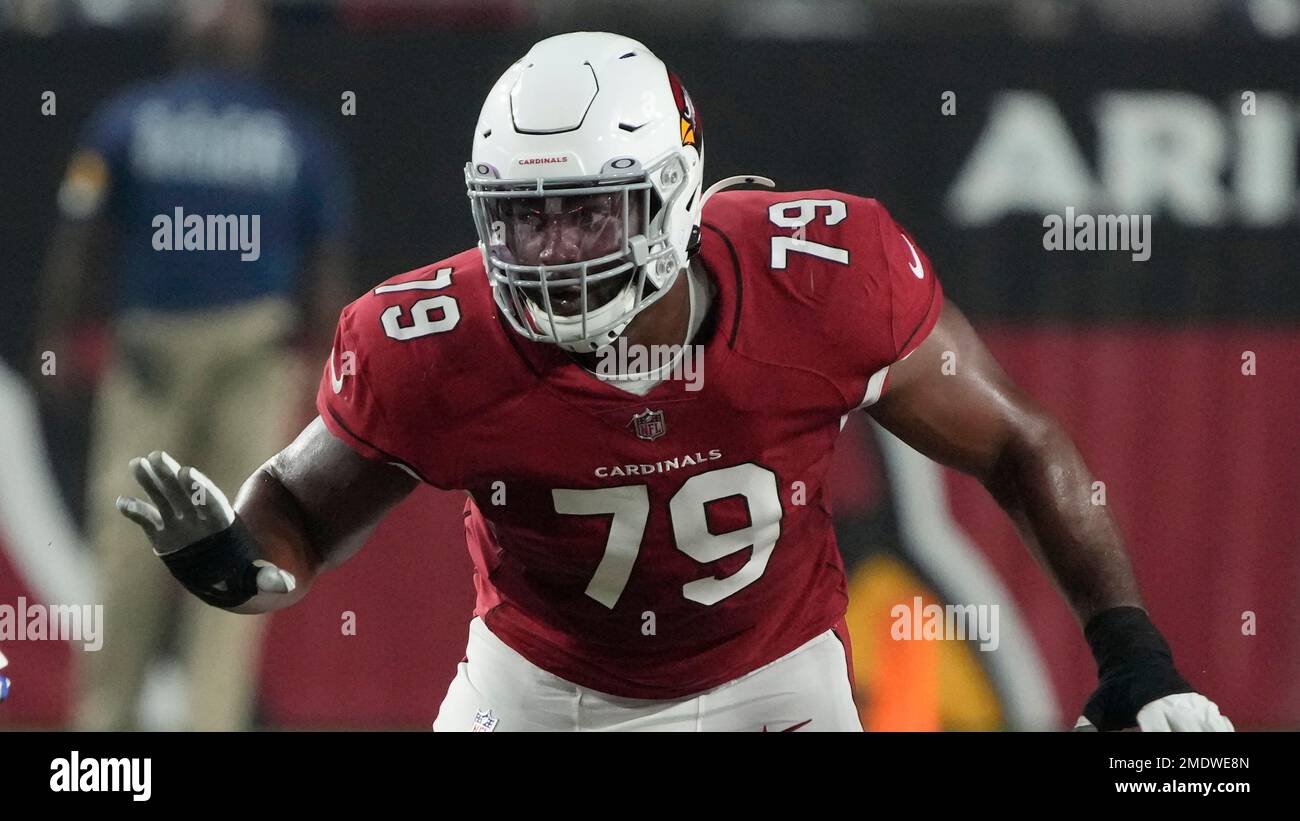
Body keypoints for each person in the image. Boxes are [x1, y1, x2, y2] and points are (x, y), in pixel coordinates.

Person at [115, 32, 1229, 732]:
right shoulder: (431, 335)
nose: (552, 250)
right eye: (524, 217)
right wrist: (240, 566)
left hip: (771, 685)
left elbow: (1017, 443)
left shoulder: (820, 279)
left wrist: (1135, 656)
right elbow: (300, 510)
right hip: (534, 691)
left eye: (586, 210)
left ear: (673, 191)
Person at [34, 0, 353, 730]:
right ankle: (100, 732)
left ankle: (212, 723)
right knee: (125, 553)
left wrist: (328, 372)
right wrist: (55, 332)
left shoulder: (294, 135)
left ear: (264, 29)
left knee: (241, 557)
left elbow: (326, 258)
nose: (223, 19)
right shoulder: (128, 120)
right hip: (150, 363)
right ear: (181, 24)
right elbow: (81, 231)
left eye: (239, 9)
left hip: (254, 357)